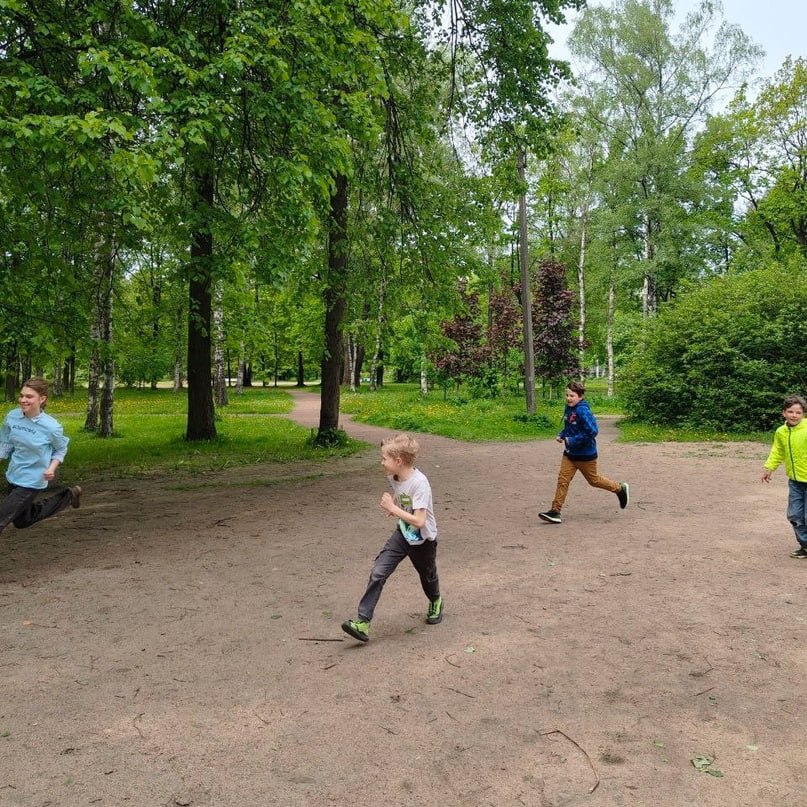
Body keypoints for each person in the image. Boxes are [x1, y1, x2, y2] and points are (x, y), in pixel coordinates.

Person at [342, 433, 442, 643]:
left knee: (428, 576)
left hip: (423, 540)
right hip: (403, 534)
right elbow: (400, 491)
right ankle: (363, 622)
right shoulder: (395, 476)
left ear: (398, 461)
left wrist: (393, 508)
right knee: (378, 571)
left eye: (384, 459)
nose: (382, 462)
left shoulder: (420, 484)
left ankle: (436, 600)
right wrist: (396, 504)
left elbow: (420, 521)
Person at [0, 377, 81, 537]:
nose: (23, 400)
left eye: (29, 397)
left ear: (42, 399)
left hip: (32, 480)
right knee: (23, 520)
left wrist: (52, 468)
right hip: (14, 475)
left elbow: (60, 449)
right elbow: (6, 441)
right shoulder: (12, 417)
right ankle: (68, 496)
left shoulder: (51, 427)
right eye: (22, 395)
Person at [538, 381, 628, 524]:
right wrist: (562, 435)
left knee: (594, 480)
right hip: (570, 454)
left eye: (572, 396)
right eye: (567, 395)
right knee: (563, 481)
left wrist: (571, 440)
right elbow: (570, 426)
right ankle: (555, 511)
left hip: (586, 455)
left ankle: (619, 489)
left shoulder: (582, 410)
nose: (568, 398)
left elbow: (592, 432)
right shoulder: (569, 408)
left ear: (580, 396)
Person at [761, 394, 807, 558]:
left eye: (798, 412)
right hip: (795, 482)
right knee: (794, 515)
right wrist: (769, 467)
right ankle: (805, 545)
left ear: (803, 414)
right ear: (784, 413)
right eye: (790, 412)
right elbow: (778, 451)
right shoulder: (781, 432)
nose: (794, 415)